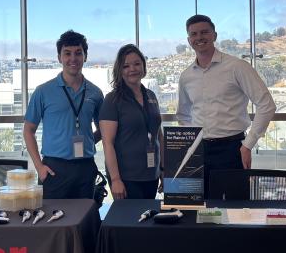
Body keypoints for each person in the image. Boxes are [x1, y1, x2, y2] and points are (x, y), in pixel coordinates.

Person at [177, 14, 277, 184]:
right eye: (194, 34)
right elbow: (183, 115)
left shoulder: (237, 67)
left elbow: (266, 105)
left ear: (214, 36)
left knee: (236, 206)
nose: (199, 37)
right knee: (200, 207)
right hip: (198, 151)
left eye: (204, 32)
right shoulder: (186, 76)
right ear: (189, 40)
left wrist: (247, 145)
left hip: (232, 149)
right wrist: (192, 140)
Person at [23, 30, 104, 199]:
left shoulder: (95, 93)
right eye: (67, 53)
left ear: (85, 57)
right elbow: (28, 130)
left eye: (78, 53)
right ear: (59, 57)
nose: (73, 58)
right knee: (53, 222)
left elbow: (104, 129)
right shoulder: (43, 91)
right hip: (54, 168)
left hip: (85, 167)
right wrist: (39, 167)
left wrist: (87, 140)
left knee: (84, 221)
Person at [100, 44, 164, 199]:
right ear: (119, 70)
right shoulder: (112, 99)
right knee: (130, 221)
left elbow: (158, 135)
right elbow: (107, 143)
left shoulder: (151, 95)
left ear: (143, 66)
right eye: (126, 66)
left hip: (152, 174)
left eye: (137, 64)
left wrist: (163, 169)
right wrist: (115, 179)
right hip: (126, 178)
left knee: (148, 220)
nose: (132, 69)